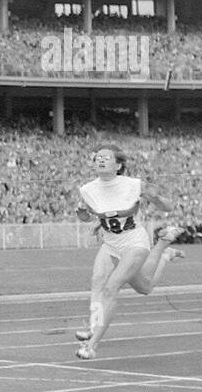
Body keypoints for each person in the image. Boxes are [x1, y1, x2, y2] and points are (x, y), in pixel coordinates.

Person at [73, 145, 184, 361]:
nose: (101, 160)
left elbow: (168, 206)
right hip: (110, 244)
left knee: (111, 288)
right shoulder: (87, 190)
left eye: (106, 158)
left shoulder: (134, 185)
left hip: (134, 241)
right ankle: (163, 250)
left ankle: (91, 345)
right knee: (141, 287)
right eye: (98, 158)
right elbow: (90, 217)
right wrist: (86, 217)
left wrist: (157, 199)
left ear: (118, 165)